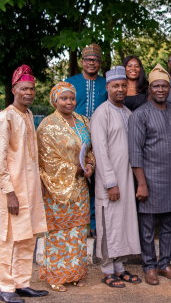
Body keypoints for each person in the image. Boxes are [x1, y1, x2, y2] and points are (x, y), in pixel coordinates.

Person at [128, 64, 171, 285]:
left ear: (169, 88)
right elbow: (134, 151)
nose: (160, 89)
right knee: (148, 228)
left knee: (170, 225)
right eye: (156, 86)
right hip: (149, 180)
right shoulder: (139, 115)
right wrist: (141, 184)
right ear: (149, 89)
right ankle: (150, 266)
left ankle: (165, 264)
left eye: (164, 86)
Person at [37, 82, 95, 292]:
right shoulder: (47, 125)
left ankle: (76, 273)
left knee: (79, 231)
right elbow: (47, 160)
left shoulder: (83, 121)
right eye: (64, 98)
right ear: (55, 100)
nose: (69, 102)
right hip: (57, 189)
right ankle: (56, 275)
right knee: (59, 232)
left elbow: (90, 150)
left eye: (71, 98)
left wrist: (89, 164)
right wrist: (74, 169)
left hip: (80, 187)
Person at [90, 66, 142, 288]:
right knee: (107, 224)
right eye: (115, 86)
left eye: (123, 85)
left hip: (127, 180)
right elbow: (100, 151)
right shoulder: (102, 113)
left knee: (122, 223)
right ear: (107, 88)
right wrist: (110, 183)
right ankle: (106, 269)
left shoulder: (128, 113)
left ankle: (119, 267)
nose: (120, 89)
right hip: (109, 181)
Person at [0, 65, 49, 303]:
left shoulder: (28, 115)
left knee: (27, 237)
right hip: (12, 191)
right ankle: (5, 287)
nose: (29, 93)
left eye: (32, 88)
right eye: (24, 88)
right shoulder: (6, 117)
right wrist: (9, 192)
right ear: (14, 90)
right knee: (8, 239)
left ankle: (22, 283)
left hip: (30, 189)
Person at [65, 43, 108, 239]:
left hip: (100, 139)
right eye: (88, 60)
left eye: (96, 60)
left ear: (100, 64)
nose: (92, 63)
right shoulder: (70, 82)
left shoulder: (105, 83)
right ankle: (75, 221)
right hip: (74, 138)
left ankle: (94, 221)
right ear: (82, 62)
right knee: (77, 178)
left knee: (96, 180)